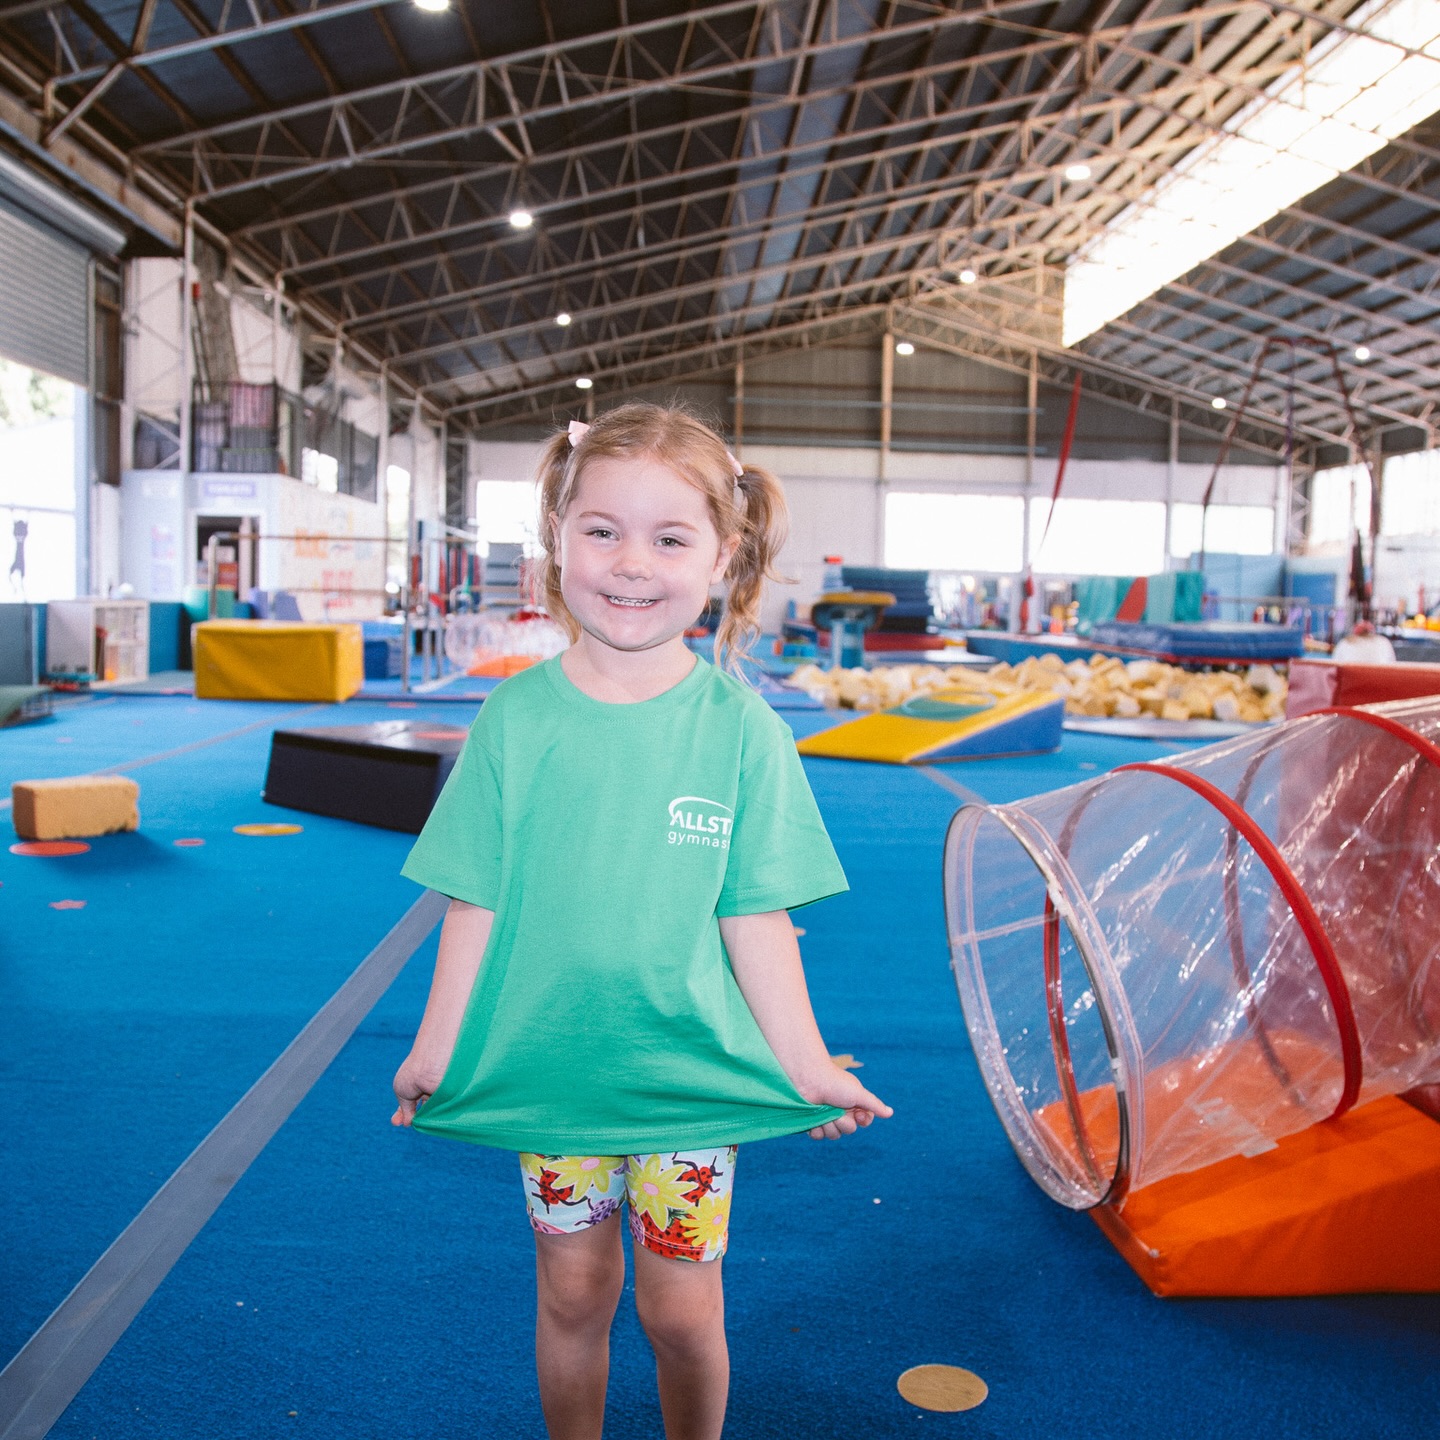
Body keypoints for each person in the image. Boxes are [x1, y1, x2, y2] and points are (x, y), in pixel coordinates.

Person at [391, 403, 891, 1440]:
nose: (630, 563)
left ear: (723, 554)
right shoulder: (516, 721)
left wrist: (802, 1063)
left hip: (690, 1082)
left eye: (670, 538)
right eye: (601, 530)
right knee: (573, 1294)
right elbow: (472, 894)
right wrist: (439, 1043)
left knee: (679, 1307)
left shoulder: (742, 732)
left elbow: (757, 916)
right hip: (555, 1075)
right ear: (558, 538)